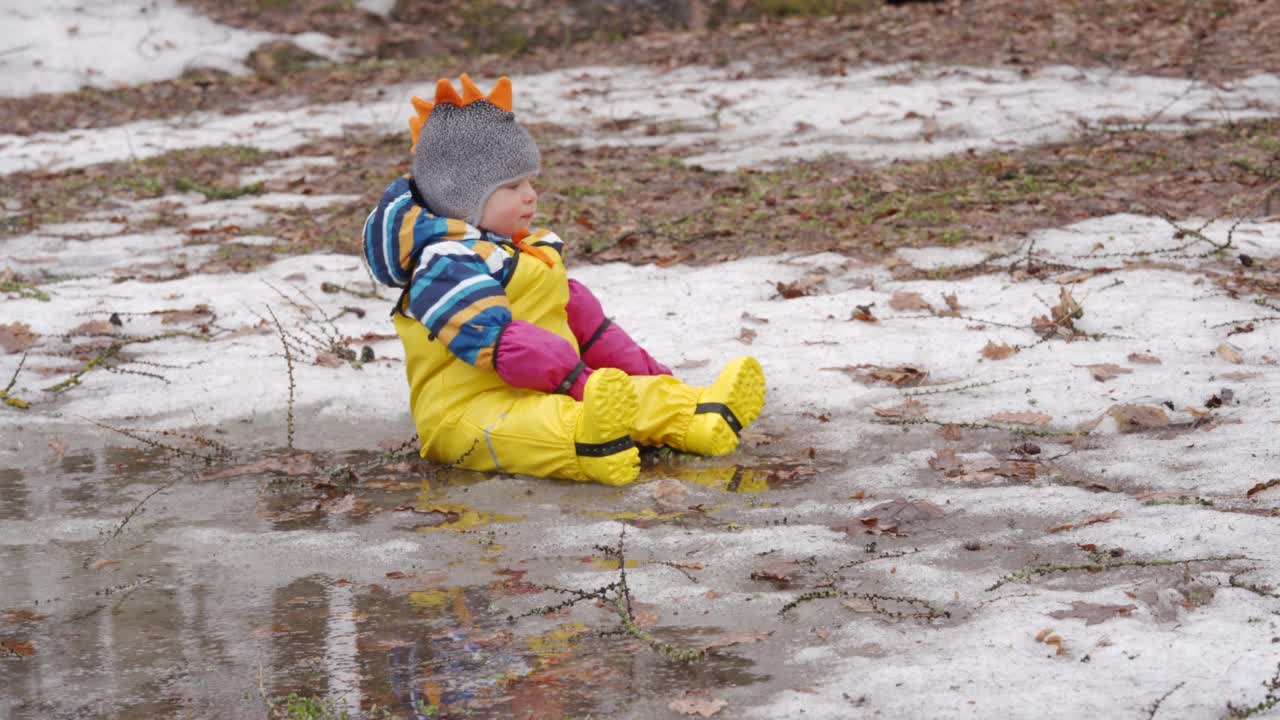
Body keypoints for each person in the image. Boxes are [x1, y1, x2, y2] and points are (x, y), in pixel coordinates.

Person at [362, 73, 765, 487]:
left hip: (546, 384)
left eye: (531, 181)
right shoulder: (445, 263)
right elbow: (497, 341)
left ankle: (697, 415)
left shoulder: (526, 253)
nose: (530, 195)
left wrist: (653, 378)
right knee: (535, 425)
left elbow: (593, 334)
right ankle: (589, 446)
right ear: (461, 199)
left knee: (622, 394)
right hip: (466, 412)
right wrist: (578, 382)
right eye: (513, 185)